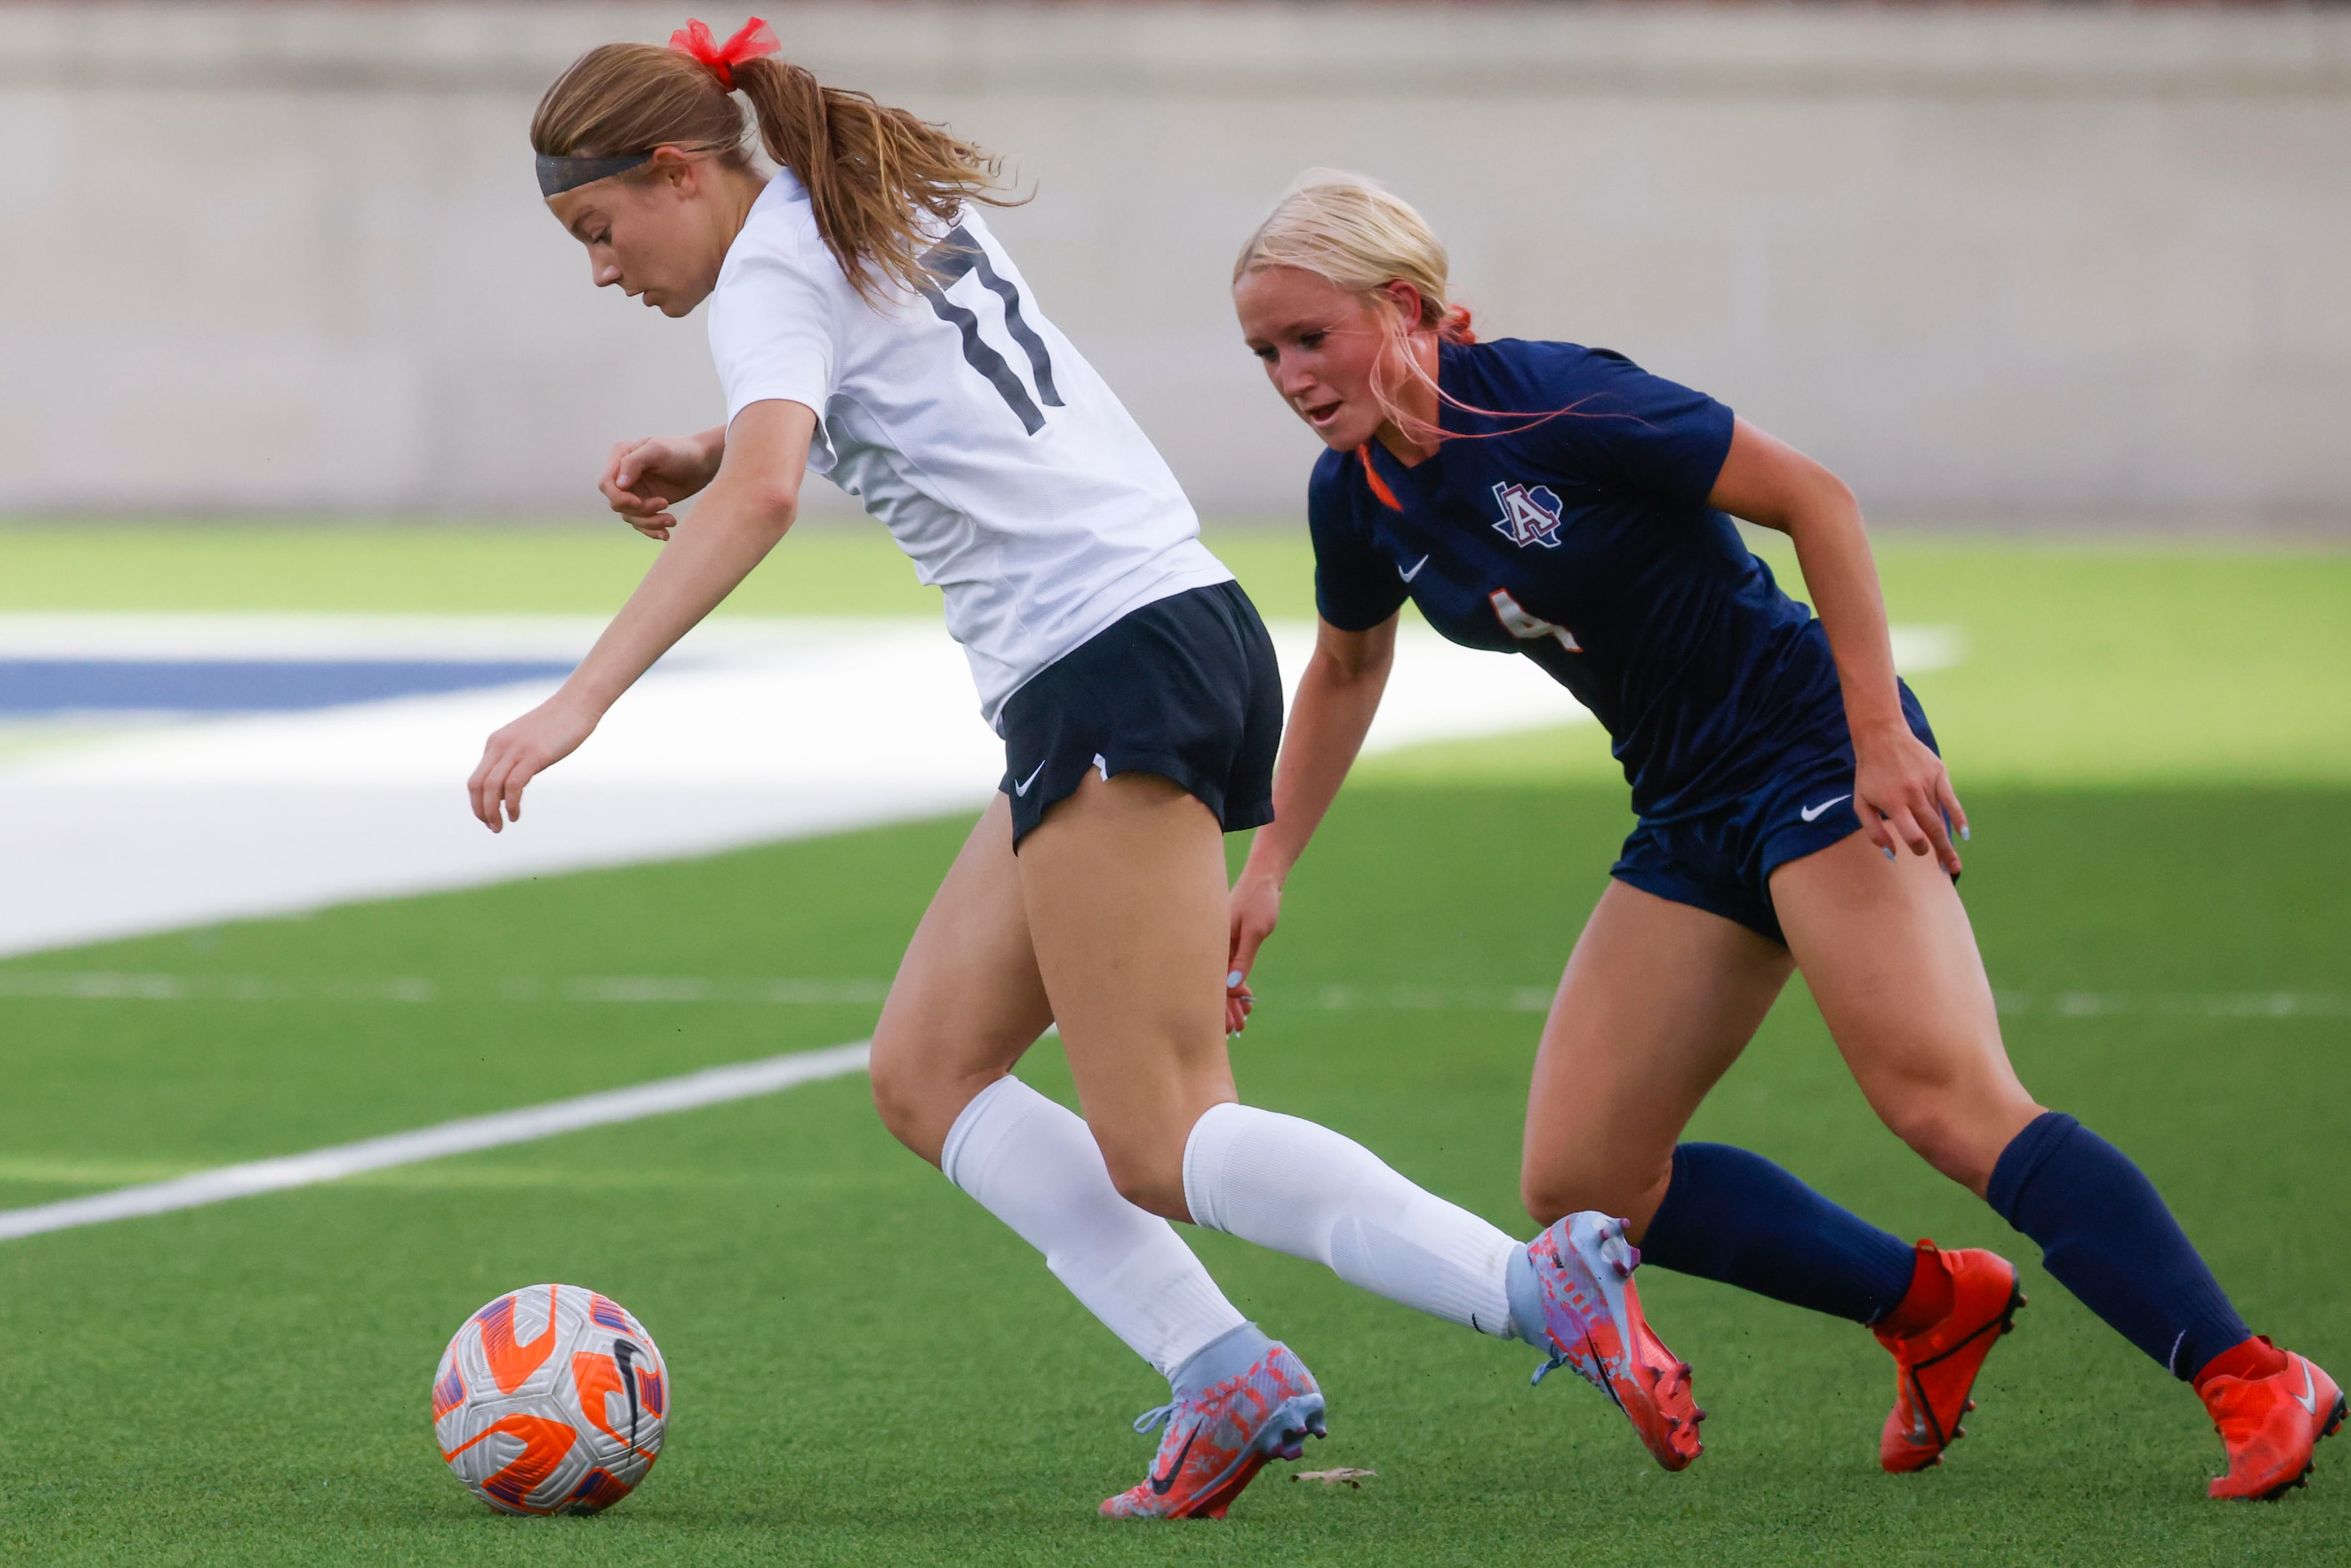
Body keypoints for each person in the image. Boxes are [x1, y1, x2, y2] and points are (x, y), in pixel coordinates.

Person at [468, 22, 1701, 1520]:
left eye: (599, 230)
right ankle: (1222, 1373)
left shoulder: (776, 268)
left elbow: (776, 487)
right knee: (927, 1071)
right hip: (1163, 636)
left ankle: (1533, 1286)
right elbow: (891, 387)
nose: (602, 269)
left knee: (1165, 1137)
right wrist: (703, 440)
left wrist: (580, 699)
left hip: (1106, 662)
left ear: (676, 171)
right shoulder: (862, 194)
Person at [1224, 169, 2343, 1501]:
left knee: (1943, 1097)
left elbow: (1816, 498)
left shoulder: (1560, 396)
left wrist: (1879, 733)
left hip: (1815, 746)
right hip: (1689, 804)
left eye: (1310, 337)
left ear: (1404, 306)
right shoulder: (1353, 494)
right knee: (1584, 1176)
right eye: (1264, 353)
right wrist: (1269, 860)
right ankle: (1927, 1303)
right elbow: (1347, 667)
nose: (1290, 374)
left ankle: (2256, 1375)